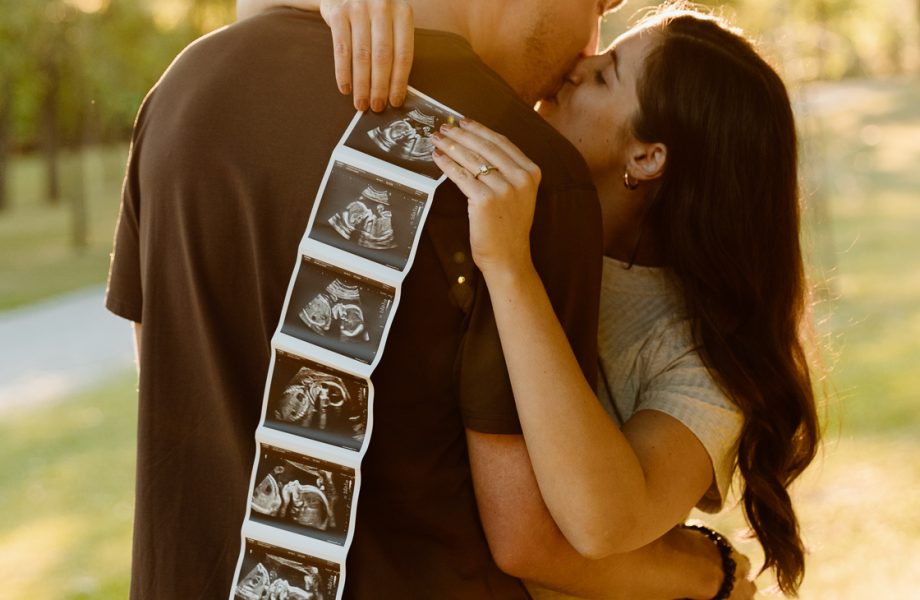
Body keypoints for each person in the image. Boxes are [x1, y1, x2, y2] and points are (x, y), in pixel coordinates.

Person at [106, 0, 755, 598]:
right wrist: (709, 571)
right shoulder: (520, 171)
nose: (589, 43)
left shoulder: (185, 85)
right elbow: (527, 532)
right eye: (599, 6)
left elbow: (162, 368)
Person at [295, 0, 824, 598]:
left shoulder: (706, 352)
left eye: (604, 75)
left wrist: (511, 268)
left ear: (647, 158)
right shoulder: (517, 185)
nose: (576, 65)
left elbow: (603, 519)